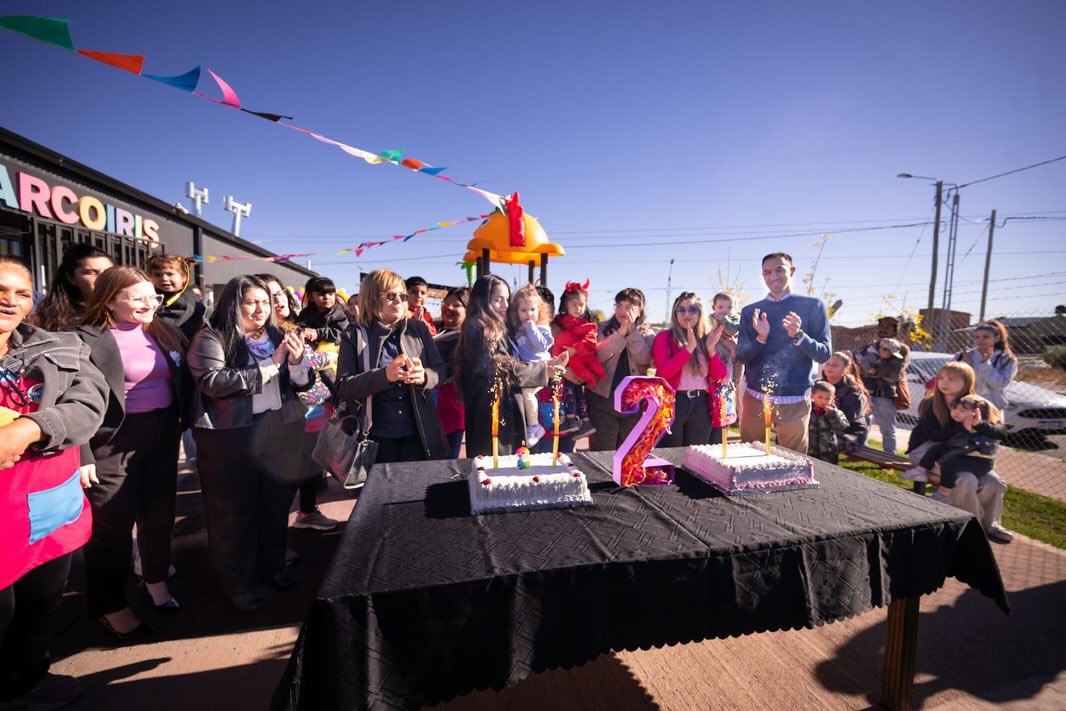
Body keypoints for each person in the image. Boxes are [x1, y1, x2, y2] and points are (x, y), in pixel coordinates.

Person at [0, 256, 107, 709]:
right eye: (0, 289)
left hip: (46, 507)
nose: (10, 301)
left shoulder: (57, 347)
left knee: (40, 602)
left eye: (21, 293)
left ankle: (26, 682)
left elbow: (90, 401)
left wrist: (31, 427)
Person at [76, 267, 190, 641]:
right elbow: (69, 399)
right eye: (138, 297)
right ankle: (111, 606)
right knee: (113, 528)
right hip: (109, 443)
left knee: (159, 515)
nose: (149, 304)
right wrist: (82, 455)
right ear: (110, 299)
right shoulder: (84, 338)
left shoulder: (164, 331)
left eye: (152, 297)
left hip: (161, 437)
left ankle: (155, 580)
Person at [187, 275, 312, 612]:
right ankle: (237, 583)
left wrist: (298, 363)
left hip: (279, 428)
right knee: (232, 512)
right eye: (250, 302)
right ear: (232, 304)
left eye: (264, 301)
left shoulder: (279, 335)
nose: (260, 308)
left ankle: (272, 568)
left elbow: (301, 384)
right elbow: (213, 382)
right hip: (231, 435)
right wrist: (270, 367)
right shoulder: (212, 337)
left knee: (274, 507)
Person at [337, 269, 449, 463]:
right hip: (375, 437)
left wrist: (424, 377)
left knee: (418, 492)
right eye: (390, 296)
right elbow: (343, 387)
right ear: (372, 298)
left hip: (418, 434)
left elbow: (440, 371)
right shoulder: (353, 334)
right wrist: (384, 376)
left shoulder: (418, 329)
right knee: (379, 493)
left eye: (403, 296)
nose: (399, 301)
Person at [258, 274, 337, 532]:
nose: (276, 300)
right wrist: (326, 356)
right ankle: (273, 539)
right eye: (268, 296)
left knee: (313, 463)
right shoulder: (260, 332)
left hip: (315, 406)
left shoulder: (299, 322)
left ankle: (306, 512)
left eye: (278, 293)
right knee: (284, 477)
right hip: (284, 414)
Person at [457, 275, 566, 457]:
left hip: (502, 412)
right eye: (497, 300)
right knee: (492, 471)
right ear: (482, 300)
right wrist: (542, 370)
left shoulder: (497, 327)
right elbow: (499, 367)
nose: (505, 305)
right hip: (491, 414)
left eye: (506, 299)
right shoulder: (478, 327)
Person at [906, 361, 1014, 543]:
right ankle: (970, 527)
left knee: (993, 483)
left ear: (967, 382)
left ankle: (991, 525)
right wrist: (964, 427)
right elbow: (935, 435)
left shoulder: (976, 404)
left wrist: (979, 425)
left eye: (952, 379)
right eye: (941, 378)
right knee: (966, 479)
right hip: (929, 451)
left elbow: (999, 431)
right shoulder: (930, 403)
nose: (944, 383)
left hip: (966, 455)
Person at [737, 252, 832, 454]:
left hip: (795, 401)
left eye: (780, 270)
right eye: (767, 272)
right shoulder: (750, 311)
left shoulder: (812, 306)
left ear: (792, 271)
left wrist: (798, 335)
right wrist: (761, 338)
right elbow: (742, 356)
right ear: (762, 276)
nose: (773, 277)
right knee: (749, 458)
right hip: (755, 399)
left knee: (792, 463)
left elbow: (824, 354)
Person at [653, 292, 726, 447]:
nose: (686, 314)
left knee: (695, 457)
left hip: (701, 405)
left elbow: (719, 376)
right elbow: (664, 373)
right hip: (673, 402)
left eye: (692, 309)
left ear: (700, 313)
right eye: (681, 309)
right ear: (675, 313)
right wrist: (688, 349)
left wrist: (711, 351)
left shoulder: (708, 338)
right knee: (672, 457)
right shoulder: (664, 337)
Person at [587, 288, 654, 451]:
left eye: (629, 307)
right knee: (603, 453)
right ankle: (602, 478)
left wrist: (632, 333)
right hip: (601, 400)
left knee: (627, 452)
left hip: (633, 403)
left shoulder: (647, 334)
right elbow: (599, 354)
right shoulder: (600, 329)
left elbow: (645, 359)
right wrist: (621, 333)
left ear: (640, 311)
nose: (623, 311)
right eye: (620, 305)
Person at [903, 394, 1006, 490]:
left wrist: (941, 461)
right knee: (936, 449)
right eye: (954, 408)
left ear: (978, 414)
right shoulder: (960, 422)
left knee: (950, 464)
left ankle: (944, 492)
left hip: (977, 461)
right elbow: (950, 442)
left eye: (962, 410)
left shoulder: (981, 430)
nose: (955, 412)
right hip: (962, 454)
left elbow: (961, 449)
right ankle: (920, 471)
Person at [550, 281, 600, 439]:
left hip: (579, 363)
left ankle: (575, 419)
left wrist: (574, 350)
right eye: (574, 304)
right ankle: (580, 421)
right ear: (565, 304)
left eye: (582, 304)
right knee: (571, 391)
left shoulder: (587, 324)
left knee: (574, 390)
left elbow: (590, 343)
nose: (579, 308)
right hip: (565, 365)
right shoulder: (558, 322)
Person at [854, 317, 908, 456]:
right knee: (864, 423)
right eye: (881, 326)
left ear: (895, 331)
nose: (883, 329)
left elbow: (892, 373)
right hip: (867, 392)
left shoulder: (901, 349)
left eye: (888, 327)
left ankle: (889, 457)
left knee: (887, 428)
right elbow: (856, 363)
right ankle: (861, 452)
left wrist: (873, 368)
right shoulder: (869, 347)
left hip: (886, 394)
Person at [508, 285, 554, 447]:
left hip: (541, 370)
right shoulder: (518, 330)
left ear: (539, 310)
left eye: (532, 310)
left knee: (527, 394)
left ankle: (534, 426)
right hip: (527, 372)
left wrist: (532, 329)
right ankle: (529, 424)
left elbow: (542, 346)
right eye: (524, 310)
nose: (529, 314)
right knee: (522, 394)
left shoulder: (542, 327)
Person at [30, 243, 114, 332]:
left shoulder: (124, 313)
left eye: (108, 272)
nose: (103, 278)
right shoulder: (53, 321)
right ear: (71, 278)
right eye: (91, 272)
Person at [433, 287, 469, 458]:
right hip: (433, 410)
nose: (449, 308)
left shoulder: (464, 338)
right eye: (446, 303)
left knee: (446, 463)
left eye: (456, 305)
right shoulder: (439, 331)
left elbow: (450, 371)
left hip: (451, 412)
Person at [955, 320, 1018, 410]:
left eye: (986, 337)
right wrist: (967, 366)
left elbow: (999, 385)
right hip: (964, 407)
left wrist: (985, 364)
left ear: (996, 338)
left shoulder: (1007, 359)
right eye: (977, 337)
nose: (981, 340)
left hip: (992, 408)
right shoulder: (963, 356)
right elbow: (953, 381)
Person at [147, 254, 205, 341]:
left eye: (170, 274)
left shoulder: (184, 301)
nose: (164, 278)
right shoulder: (160, 295)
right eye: (157, 275)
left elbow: (163, 326)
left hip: (181, 347)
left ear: (184, 277)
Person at [820, 351, 870, 451]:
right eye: (827, 364)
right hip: (825, 429)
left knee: (815, 438)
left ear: (845, 369)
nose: (829, 367)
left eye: (835, 365)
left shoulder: (854, 392)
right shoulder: (819, 385)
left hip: (849, 436)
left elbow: (846, 422)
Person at [708, 292, 741, 442]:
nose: (724, 310)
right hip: (712, 360)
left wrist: (723, 319)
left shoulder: (734, 320)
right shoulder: (709, 319)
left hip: (729, 361)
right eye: (720, 307)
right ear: (714, 307)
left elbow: (732, 330)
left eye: (729, 307)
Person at [296, 276, 350, 348]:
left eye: (331, 294)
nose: (327, 297)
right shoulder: (306, 313)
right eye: (321, 294)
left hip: (334, 354)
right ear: (311, 297)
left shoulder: (339, 314)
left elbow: (342, 334)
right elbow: (299, 326)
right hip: (310, 353)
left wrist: (318, 333)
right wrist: (305, 332)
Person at [807, 381, 851, 465]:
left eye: (827, 398)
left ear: (833, 399)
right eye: (820, 397)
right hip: (810, 448)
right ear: (812, 396)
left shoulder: (835, 412)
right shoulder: (808, 411)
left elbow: (842, 426)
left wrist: (833, 415)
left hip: (828, 449)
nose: (823, 401)